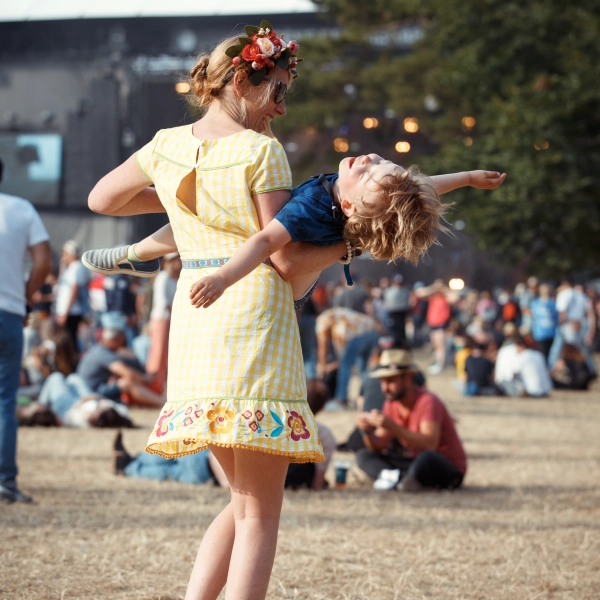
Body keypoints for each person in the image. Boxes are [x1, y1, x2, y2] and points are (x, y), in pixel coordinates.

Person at [86, 22, 329, 600]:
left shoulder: (167, 143)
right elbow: (288, 261)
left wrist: (172, 197)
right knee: (260, 512)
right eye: (277, 90)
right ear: (244, 82)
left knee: (244, 502)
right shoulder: (261, 151)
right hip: (252, 317)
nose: (282, 107)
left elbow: (101, 199)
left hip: (196, 316)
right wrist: (352, 244)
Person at [0, 156, 52, 503]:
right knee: (5, 402)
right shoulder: (21, 208)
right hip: (8, 311)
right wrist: (26, 295)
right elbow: (44, 262)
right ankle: (4, 482)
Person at [355, 349, 467, 492]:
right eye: (382, 382)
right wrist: (366, 431)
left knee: (426, 459)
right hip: (415, 463)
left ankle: (396, 478)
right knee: (364, 455)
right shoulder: (391, 403)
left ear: (407, 378)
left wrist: (393, 427)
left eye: (390, 381)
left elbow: (430, 444)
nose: (384, 388)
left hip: (443, 466)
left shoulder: (428, 401)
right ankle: (398, 479)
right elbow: (378, 446)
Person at [76, 312, 165, 408]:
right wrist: (146, 378)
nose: (122, 345)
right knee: (129, 382)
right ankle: (162, 402)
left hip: (89, 389)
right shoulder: (104, 354)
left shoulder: (98, 349)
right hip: (90, 392)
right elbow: (129, 374)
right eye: (122, 340)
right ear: (114, 340)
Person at [146, 252, 181, 393]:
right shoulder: (163, 277)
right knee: (158, 353)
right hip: (162, 318)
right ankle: (154, 385)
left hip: (170, 319)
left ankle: (163, 385)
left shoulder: (174, 278)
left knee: (168, 353)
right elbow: (165, 303)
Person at [55, 240, 90, 351]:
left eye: (65, 253)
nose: (63, 256)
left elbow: (75, 291)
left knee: (70, 341)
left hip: (72, 312)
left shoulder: (78, 267)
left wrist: (65, 313)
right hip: (67, 311)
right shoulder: (70, 268)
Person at [529, 283, 558, 360]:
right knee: (549, 355)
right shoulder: (553, 303)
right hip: (550, 332)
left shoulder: (536, 303)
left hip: (540, 333)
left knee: (543, 355)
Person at [383, 274, 411, 347]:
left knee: (401, 331)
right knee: (393, 331)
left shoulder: (405, 291)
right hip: (392, 313)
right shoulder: (389, 291)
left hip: (402, 314)